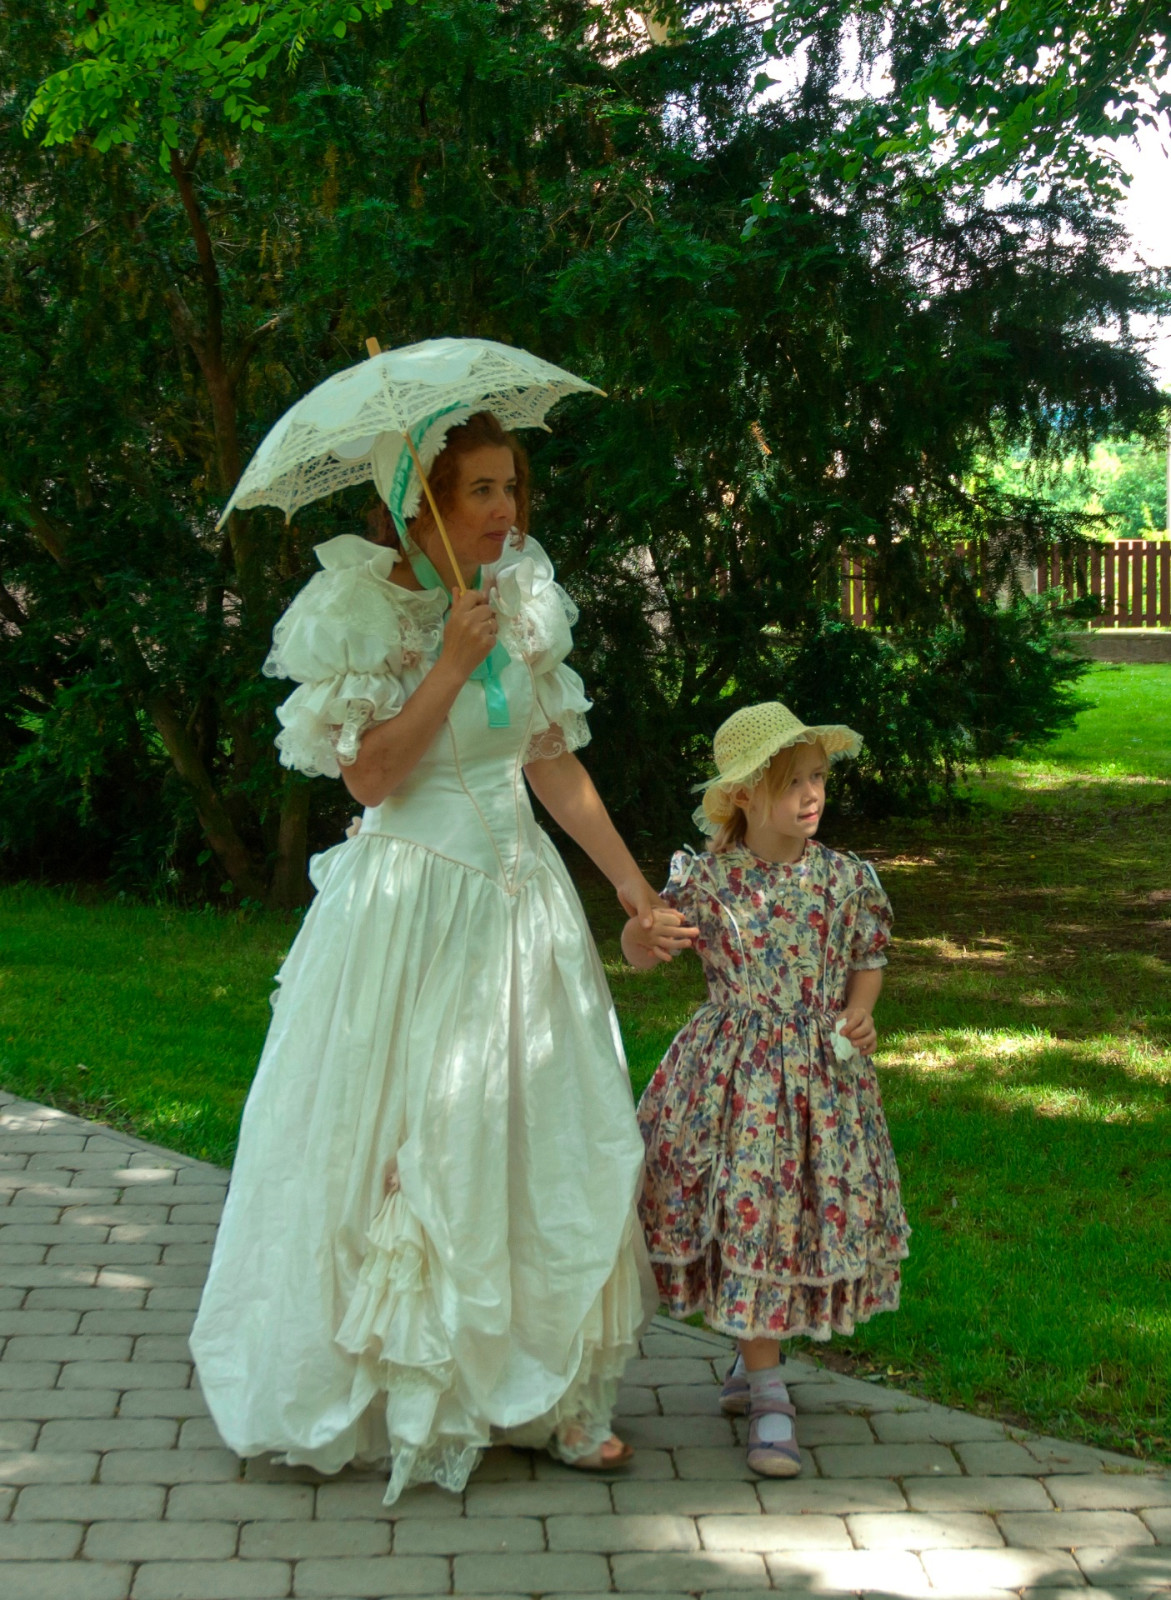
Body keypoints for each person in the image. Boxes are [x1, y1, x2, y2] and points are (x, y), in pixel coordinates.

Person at [191, 410, 675, 1504]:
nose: (506, 510)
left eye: (511, 488)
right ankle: (411, 1396)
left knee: (545, 1133)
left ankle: (553, 1398)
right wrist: (450, 663)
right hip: (410, 908)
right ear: (423, 508)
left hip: (520, 906)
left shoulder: (520, 596)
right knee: (413, 1143)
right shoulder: (361, 611)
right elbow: (370, 777)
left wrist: (628, 884)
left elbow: (548, 759)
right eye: (481, 491)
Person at [622, 701, 910, 1477]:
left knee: (792, 1218)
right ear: (745, 795)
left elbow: (868, 955)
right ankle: (768, 1390)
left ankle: (755, 1363)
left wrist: (859, 1012)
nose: (812, 795)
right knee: (749, 1210)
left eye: (818, 778)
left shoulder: (843, 879)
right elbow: (644, 950)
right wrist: (639, 934)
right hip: (734, 1080)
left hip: (818, 1080)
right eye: (792, 783)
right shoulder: (709, 881)